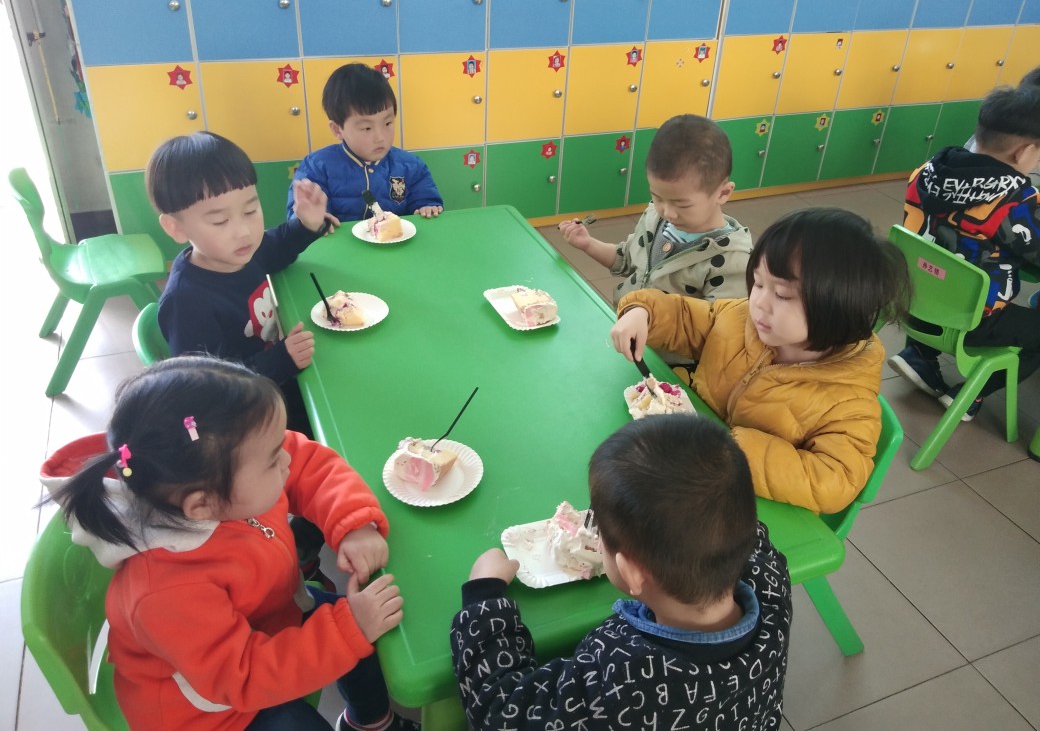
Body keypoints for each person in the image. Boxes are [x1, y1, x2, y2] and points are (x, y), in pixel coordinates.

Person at [40, 357, 413, 731]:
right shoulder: (166, 592)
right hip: (213, 710)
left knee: (363, 635)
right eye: (273, 459)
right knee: (350, 632)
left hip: (270, 617)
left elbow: (306, 463)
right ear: (202, 505)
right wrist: (349, 629)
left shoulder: (224, 474)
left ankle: (371, 723)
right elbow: (243, 677)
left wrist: (353, 523)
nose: (286, 458)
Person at [451, 415, 792, 730]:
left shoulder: (620, 680)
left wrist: (485, 597)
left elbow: (502, 713)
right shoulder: (772, 581)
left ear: (632, 573)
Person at [610, 207, 910, 514]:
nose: (759, 303)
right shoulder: (741, 318)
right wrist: (643, 311)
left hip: (740, 507)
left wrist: (731, 449)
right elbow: (685, 318)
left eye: (782, 294)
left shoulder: (848, 401)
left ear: (837, 309)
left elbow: (836, 480)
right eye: (758, 282)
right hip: (683, 465)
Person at [149, 131, 339, 588]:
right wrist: (280, 361)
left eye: (251, 210)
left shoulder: (239, 253)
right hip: (246, 416)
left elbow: (275, 248)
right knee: (327, 448)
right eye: (219, 219)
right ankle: (302, 546)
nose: (244, 231)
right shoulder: (187, 301)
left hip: (279, 380)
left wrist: (305, 224)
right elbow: (208, 391)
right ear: (176, 228)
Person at [887, 80, 1040, 424]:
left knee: (938, 263)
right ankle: (972, 392)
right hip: (971, 321)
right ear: (1023, 152)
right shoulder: (1013, 200)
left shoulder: (927, 172)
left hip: (912, 298)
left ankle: (919, 355)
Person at [559, 114, 752, 377]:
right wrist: (588, 244)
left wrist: (650, 317)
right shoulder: (655, 219)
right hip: (627, 344)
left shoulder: (734, 259)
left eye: (682, 204)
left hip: (672, 369)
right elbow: (627, 259)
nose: (668, 212)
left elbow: (719, 333)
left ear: (723, 193)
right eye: (657, 197)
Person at [288, 63, 443, 224]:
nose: (380, 137)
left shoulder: (411, 166)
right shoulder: (316, 167)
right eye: (366, 128)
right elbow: (299, 217)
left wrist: (427, 208)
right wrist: (310, 221)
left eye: (388, 123)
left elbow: (426, 201)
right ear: (337, 129)